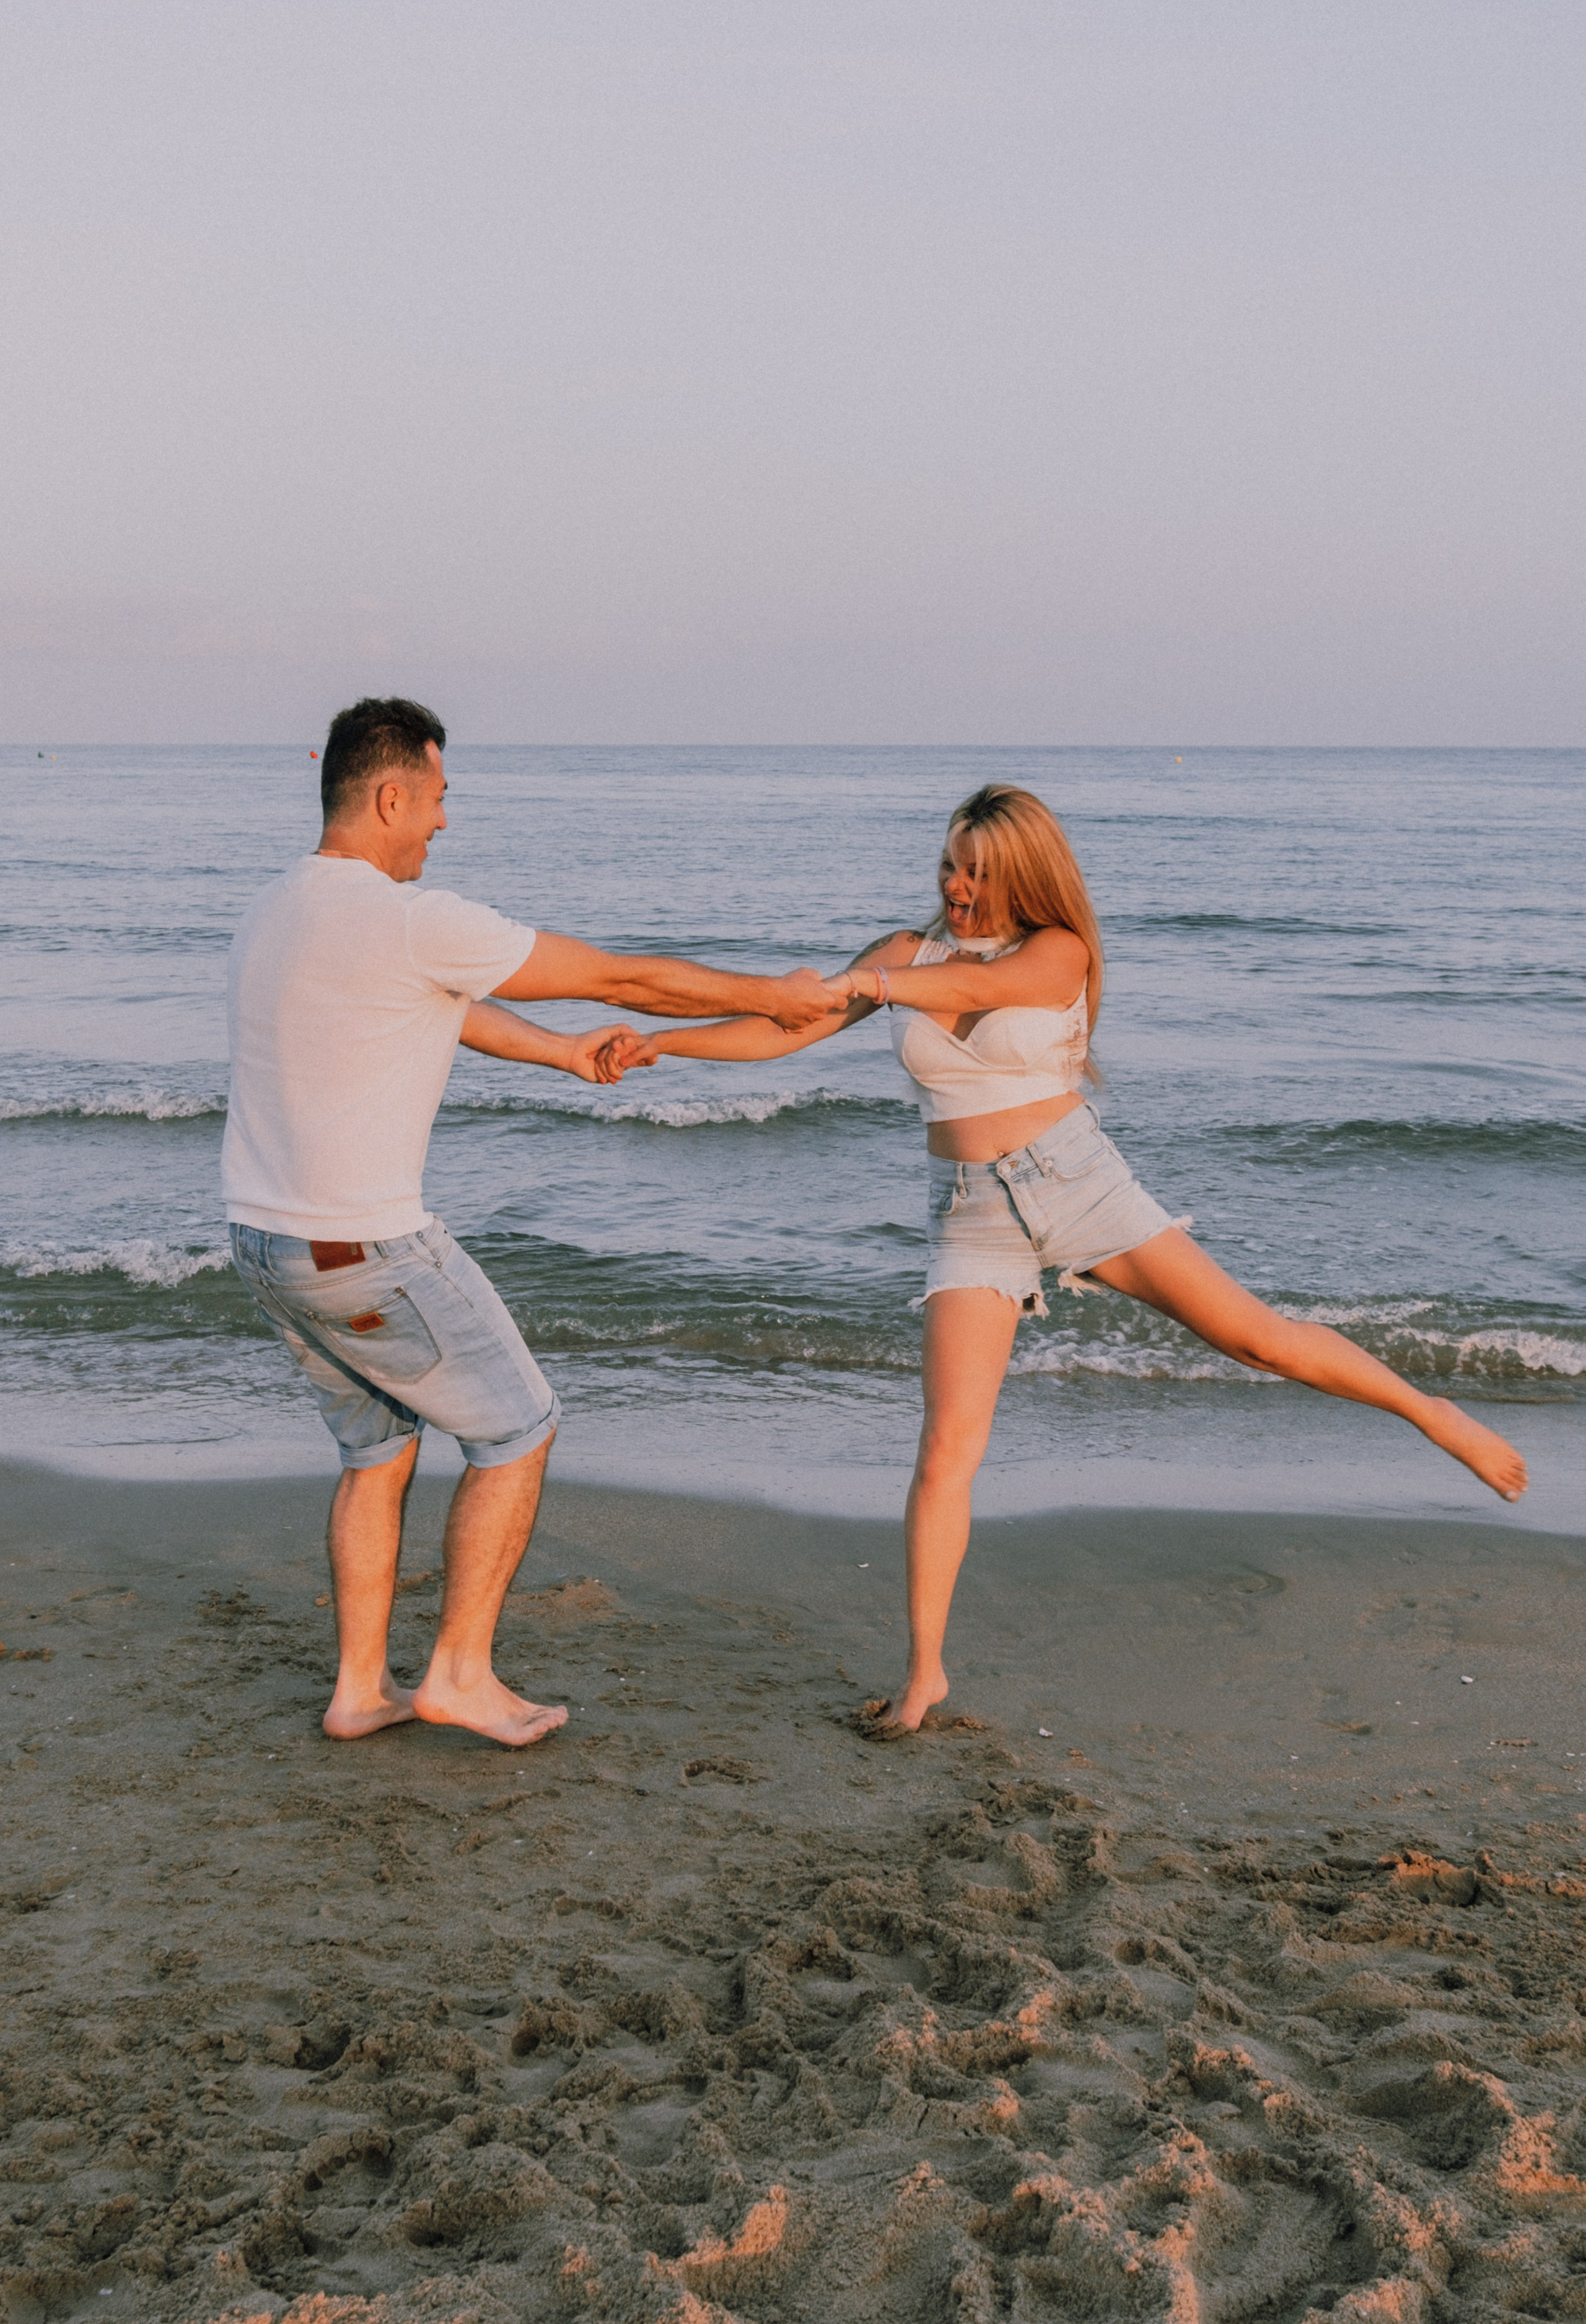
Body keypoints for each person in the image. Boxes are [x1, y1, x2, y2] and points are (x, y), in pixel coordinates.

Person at [602, 783, 1529, 1732]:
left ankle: (1432, 1413)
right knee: (946, 1450)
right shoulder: (901, 951)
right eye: (950, 866)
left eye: (979, 872)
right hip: (969, 1213)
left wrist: (869, 986)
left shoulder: (1056, 952)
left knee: (1257, 1341)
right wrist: (662, 1045)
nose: (957, 888)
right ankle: (925, 1675)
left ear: (1025, 877)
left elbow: (978, 990)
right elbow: (782, 1029)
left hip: (1078, 1180)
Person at [223, 697, 830, 1749]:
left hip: (267, 1243)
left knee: (376, 1452)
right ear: (390, 794)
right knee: (518, 1427)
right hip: (363, 1247)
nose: (444, 824)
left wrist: (561, 1055)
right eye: (440, 800)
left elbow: (437, 1007)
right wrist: (769, 994)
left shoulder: (277, 908)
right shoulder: (410, 915)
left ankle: (360, 1690)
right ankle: (458, 1673)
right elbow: (618, 973)